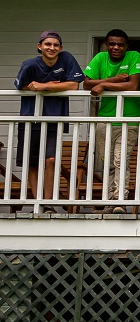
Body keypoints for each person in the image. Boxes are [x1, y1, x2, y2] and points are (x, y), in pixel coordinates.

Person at [15, 30, 84, 205]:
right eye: (47, 44)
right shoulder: (30, 65)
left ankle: (47, 203)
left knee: (51, 160)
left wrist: (44, 86)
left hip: (55, 119)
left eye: (55, 45)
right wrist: (55, 85)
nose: (51, 48)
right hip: (30, 119)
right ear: (39, 46)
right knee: (32, 163)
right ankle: (38, 202)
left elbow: (74, 85)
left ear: (60, 48)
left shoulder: (66, 59)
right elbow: (21, 85)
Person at [84, 29, 140, 209]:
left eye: (120, 44)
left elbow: (133, 85)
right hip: (105, 119)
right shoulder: (100, 58)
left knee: (120, 160)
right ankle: (109, 200)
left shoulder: (134, 56)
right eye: (112, 44)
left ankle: (120, 201)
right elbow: (86, 83)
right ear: (106, 45)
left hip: (129, 120)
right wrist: (115, 79)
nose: (116, 47)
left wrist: (103, 84)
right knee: (109, 162)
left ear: (126, 46)